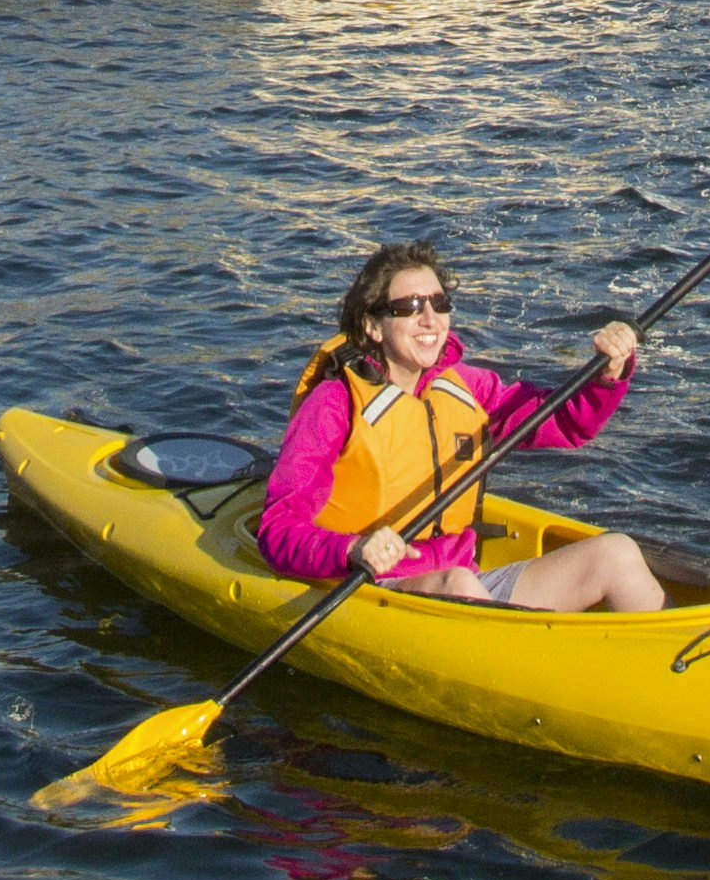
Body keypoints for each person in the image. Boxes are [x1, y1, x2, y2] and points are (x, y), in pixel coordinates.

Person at [256, 241, 663, 613]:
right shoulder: (334, 403)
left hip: (464, 583)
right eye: (410, 306)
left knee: (617, 554)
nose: (430, 319)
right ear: (373, 326)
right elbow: (278, 530)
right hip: (370, 588)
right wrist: (353, 548)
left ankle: (674, 665)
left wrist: (609, 371)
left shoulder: (468, 388)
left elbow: (569, 422)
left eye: (439, 302)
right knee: (459, 582)